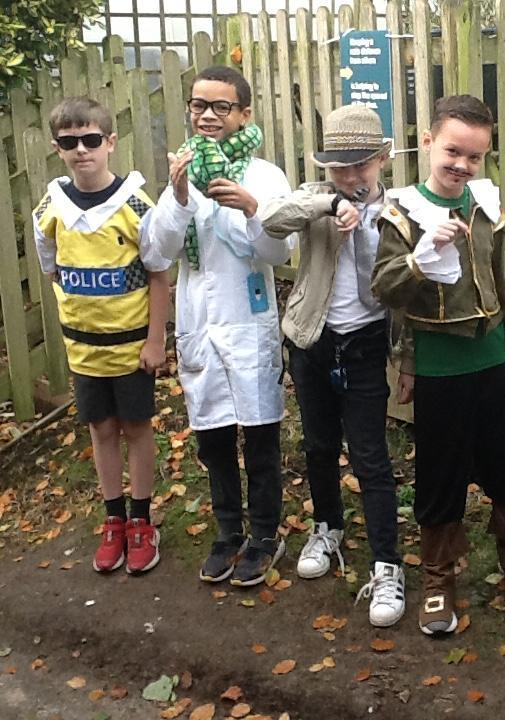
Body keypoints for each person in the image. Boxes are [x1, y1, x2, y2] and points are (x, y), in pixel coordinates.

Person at [371, 95, 505, 636]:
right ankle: (438, 577)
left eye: (474, 156)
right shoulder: (401, 212)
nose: (462, 165)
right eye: (452, 151)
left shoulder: (485, 202)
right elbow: (385, 291)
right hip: (438, 365)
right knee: (440, 473)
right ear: (428, 142)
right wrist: (419, 259)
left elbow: (502, 280)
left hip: (490, 357)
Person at [144, 65, 295, 587]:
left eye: (220, 106)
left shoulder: (265, 176)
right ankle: (228, 531)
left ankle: (265, 535)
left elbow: (279, 251)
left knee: (260, 438)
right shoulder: (182, 168)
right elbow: (160, 251)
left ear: (244, 114)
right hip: (200, 326)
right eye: (199, 105)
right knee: (213, 440)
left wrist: (252, 209)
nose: (207, 115)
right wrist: (180, 198)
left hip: (248, 323)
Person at [259, 105, 406, 627]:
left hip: (365, 345)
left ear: (383, 158)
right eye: (339, 168)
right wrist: (329, 204)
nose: (350, 177)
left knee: (370, 456)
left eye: (360, 165)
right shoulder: (313, 197)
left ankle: (387, 564)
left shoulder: (398, 211)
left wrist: (363, 225)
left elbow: (395, 284)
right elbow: (271, 219)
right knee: (319, 445)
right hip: (311, 340)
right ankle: (327, 526)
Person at [34, 97, 170, 574]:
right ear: (57, 148)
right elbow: (54, 271)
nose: (82, 150)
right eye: (69, 142)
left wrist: (156, 341)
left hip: (131, 349)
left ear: (110, 142)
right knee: (101, 429)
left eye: (91, 140)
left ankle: (141, 520)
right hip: (84, 351)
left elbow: (158, 275)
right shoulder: (51, 208)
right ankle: (114, 518)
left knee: (136, 428)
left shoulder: (136, 206)